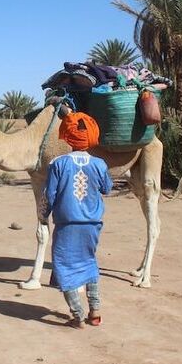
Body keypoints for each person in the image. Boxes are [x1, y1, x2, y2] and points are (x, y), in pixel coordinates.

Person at [42, 110, 113, 328]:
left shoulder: (58, 163)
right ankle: (95, 311)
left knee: (64, 267)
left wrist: (43, 216)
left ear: (68, 136)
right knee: (88, 262)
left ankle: (77, 315)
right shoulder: (99, 164)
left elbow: (49, 195)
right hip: (92, 225)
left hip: (67, 224)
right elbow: (107, 189)